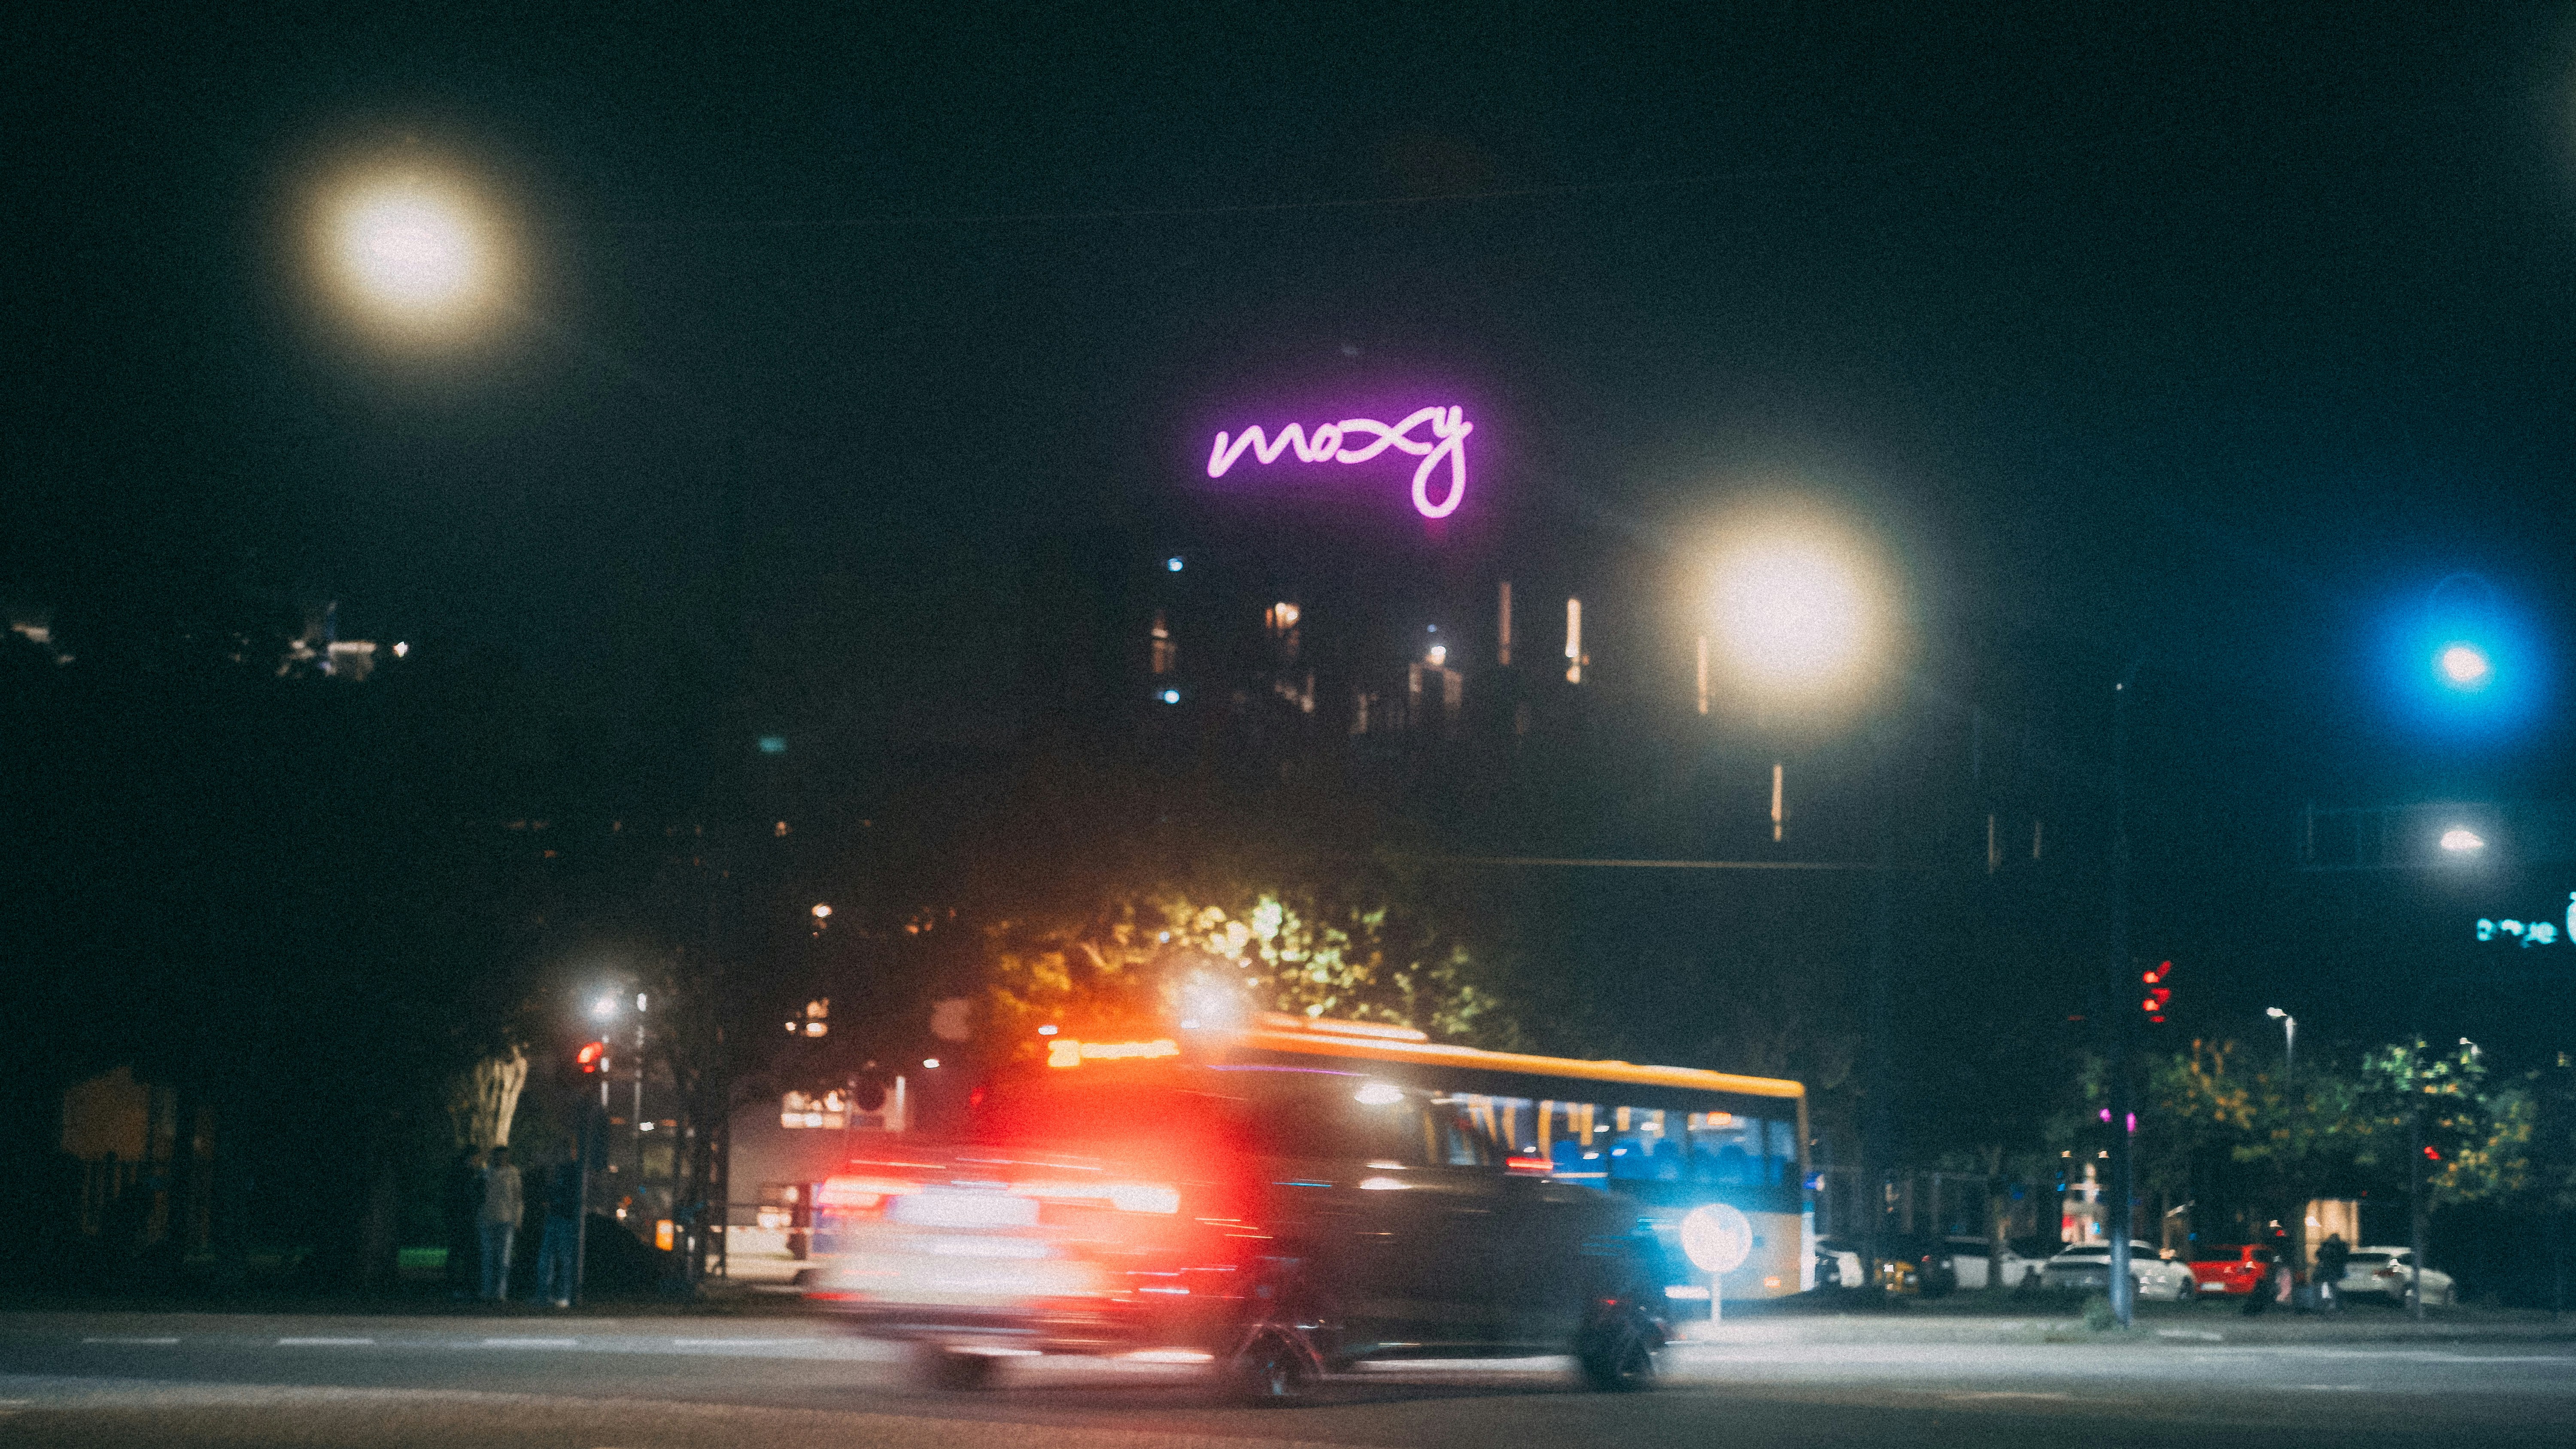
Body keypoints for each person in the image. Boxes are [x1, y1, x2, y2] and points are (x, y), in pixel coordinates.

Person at [533, 1154, 583, 1308]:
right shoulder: (557, 1174)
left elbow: (568, 1196)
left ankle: (562, 1296)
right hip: (556, 1218)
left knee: (563, 1258)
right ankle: (548, 1295)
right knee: (549, 1258)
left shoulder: (569, 1172)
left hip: (564, 1219)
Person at [477, 1145, 523, 1302]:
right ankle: (487, 1291)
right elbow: (481, 1196)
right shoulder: (486, 1173)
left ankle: (501, 1292)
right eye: (497, 1157)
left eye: (504, 1157)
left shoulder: (513, 1173)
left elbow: (518, 1197)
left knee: (504, 1258)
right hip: (488, 1219)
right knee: (488, 1257)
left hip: (506, 1220)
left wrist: (518, 1218)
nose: (501, 1160)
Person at [441, 1149, 485, 1300]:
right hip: (462, 1221)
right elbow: (466, 1198)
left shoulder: (466, 1175)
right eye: (476, 1158)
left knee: (463, 1255)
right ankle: (459, 1287)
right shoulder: (464, 1176)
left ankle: (463, 1287)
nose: (478, 1162)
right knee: (462, 1254)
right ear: (470, 1158)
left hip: (464, 1220)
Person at [2314, 1233, 2351, 1312]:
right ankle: (2329, 1306)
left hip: (2334, 1271)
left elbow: (2343, 1258)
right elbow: (2319, 1255)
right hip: (2329, 1271)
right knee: (2330, 1289)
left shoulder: (2338, 1247)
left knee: (2334, 1289)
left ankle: (2335, 1306)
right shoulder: (2328, 1246)